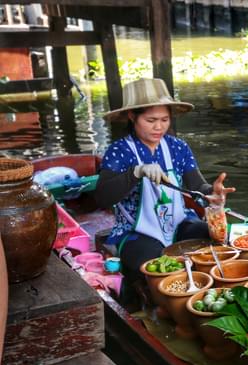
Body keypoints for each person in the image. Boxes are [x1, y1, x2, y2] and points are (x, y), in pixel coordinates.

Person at [94, 78, 235, 299]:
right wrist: (135, 172)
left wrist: (212, 194)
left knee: (214, 241)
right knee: (151, 265)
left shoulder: (178, 147)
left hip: (178, 223)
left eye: (164, 119)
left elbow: (197, 186)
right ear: (132, 117)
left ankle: (209, 290)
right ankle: (158, 303)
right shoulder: (119, 151)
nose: (159, 127)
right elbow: (102, 197)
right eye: (150, 120)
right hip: (135, 231)